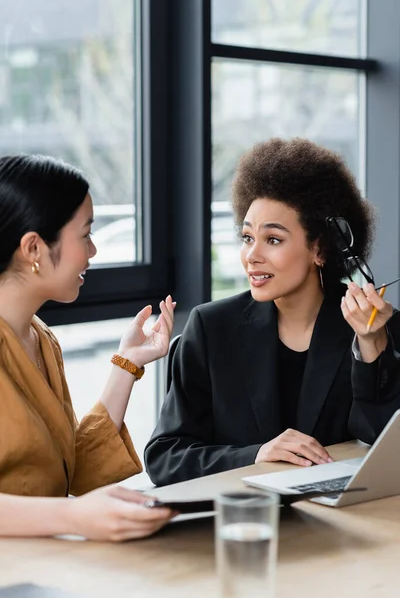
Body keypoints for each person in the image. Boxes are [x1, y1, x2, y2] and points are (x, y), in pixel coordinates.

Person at [145, 137, 400, 487]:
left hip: (342, 521)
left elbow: (383, 442)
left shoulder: (373, 326)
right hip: (245, 519)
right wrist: (255, 455)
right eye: (248, 237)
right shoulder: (211, 328)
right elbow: (165, 456)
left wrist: (371, 348)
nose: (252, 255)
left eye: (273, 239)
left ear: (320, 249)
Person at [0, 154, 176, 540]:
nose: (93, 251)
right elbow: (71, 506)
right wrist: (72, 517)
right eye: (85, 235)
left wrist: (126, 364)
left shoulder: (41, 339)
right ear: (33, 249)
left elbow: (74, 472)